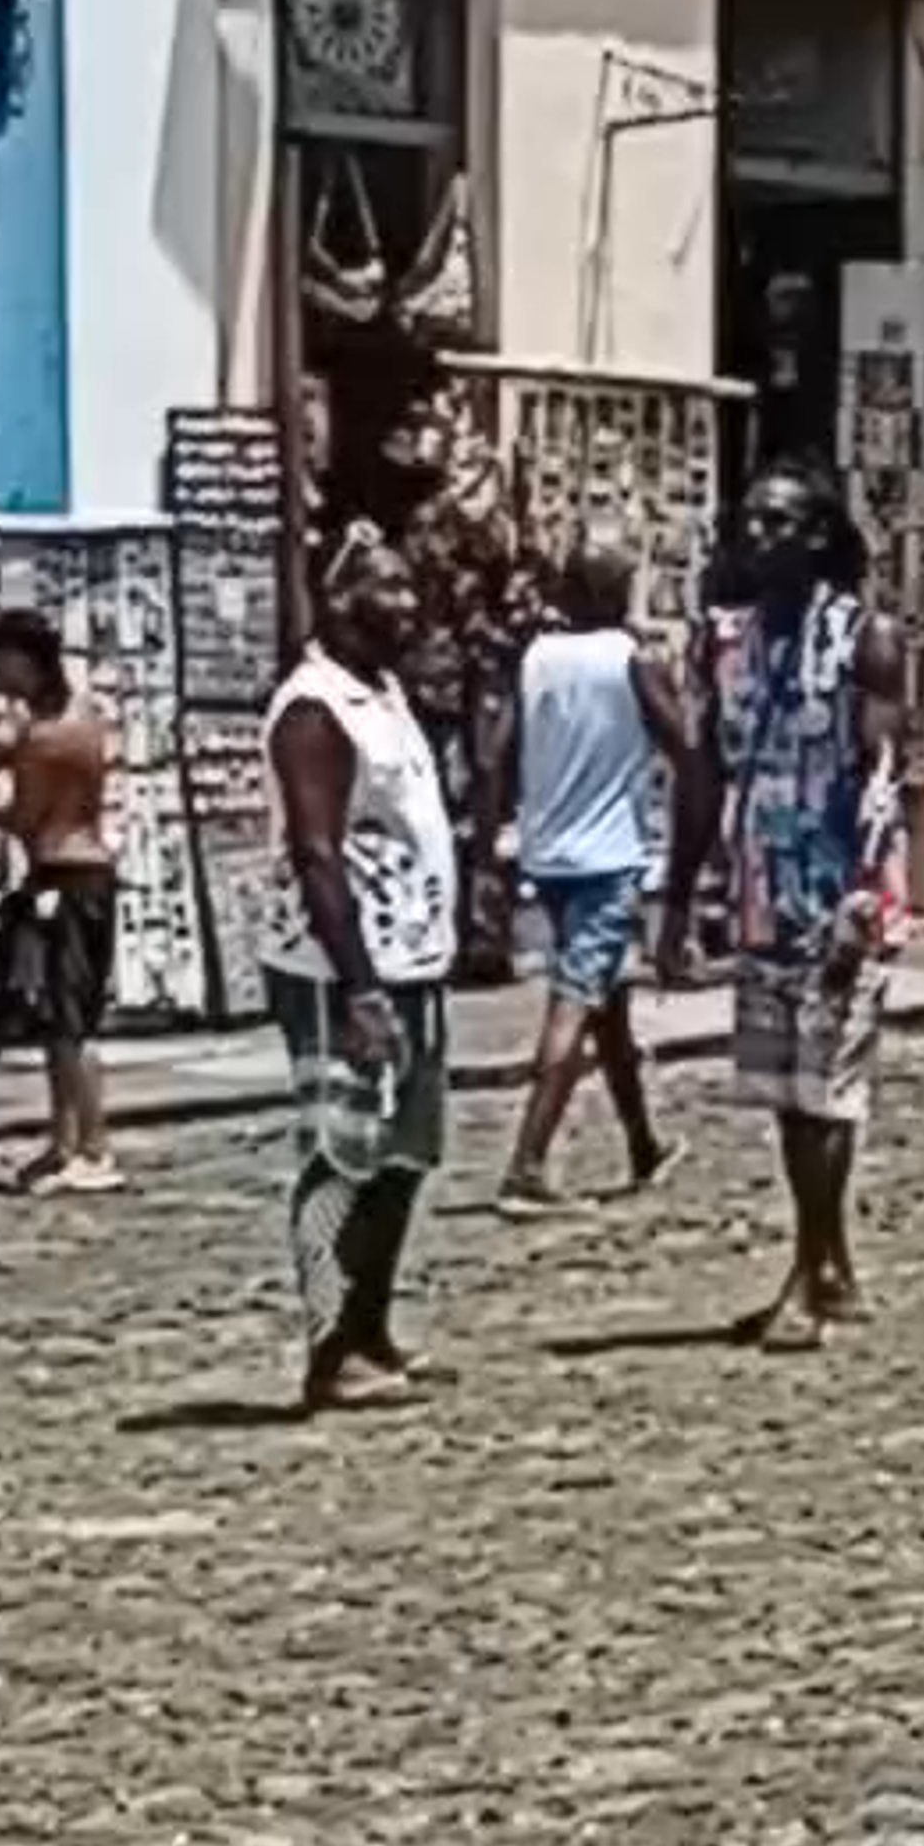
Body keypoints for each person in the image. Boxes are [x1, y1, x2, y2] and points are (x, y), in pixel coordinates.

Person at [266, 524, 460, 1411]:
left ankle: (371, 1326)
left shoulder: (380, 693)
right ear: (342, 601)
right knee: (343, 1149)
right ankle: (329, 1346)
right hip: (343, 967)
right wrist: (362, 988)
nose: (409, 604)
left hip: (414, 957)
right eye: (389, 588)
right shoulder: (315, 711)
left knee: (403, 1152)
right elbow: (318, 854)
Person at [719, 464, 905, 1343]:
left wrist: (862, 901)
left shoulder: (865, 638)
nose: (760, 539)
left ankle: (809, 1269)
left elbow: (879, 777)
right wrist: (685, 900)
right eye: (751, 523)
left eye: (779, 524)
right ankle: (826, 1260)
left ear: (819, 535)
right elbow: (712, 766)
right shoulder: (733, 641)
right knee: (787, 1091)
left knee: (830, 1085)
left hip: (839, 894)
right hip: (762, 891)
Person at [500, 537, 684, 1211]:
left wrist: (498, 837)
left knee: (609, 1010)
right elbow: (683, 741)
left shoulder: (538, 659)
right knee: (575, 1000)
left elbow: (500, 747)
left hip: (548, 853)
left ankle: (643, 1143)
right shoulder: (629, 661)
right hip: (608, 859)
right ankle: (526, 1163)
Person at [0, 597, 120, 1193]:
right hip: (89, 875)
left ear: (24, 661)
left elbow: (19, 820)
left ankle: (95, 1146)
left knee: (67, 1022)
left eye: (0, 661)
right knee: (60, 1019)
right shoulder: (81, 714)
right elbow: (27, 749)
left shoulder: (41, 735)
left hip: (62, 875)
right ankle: (63, 1144)